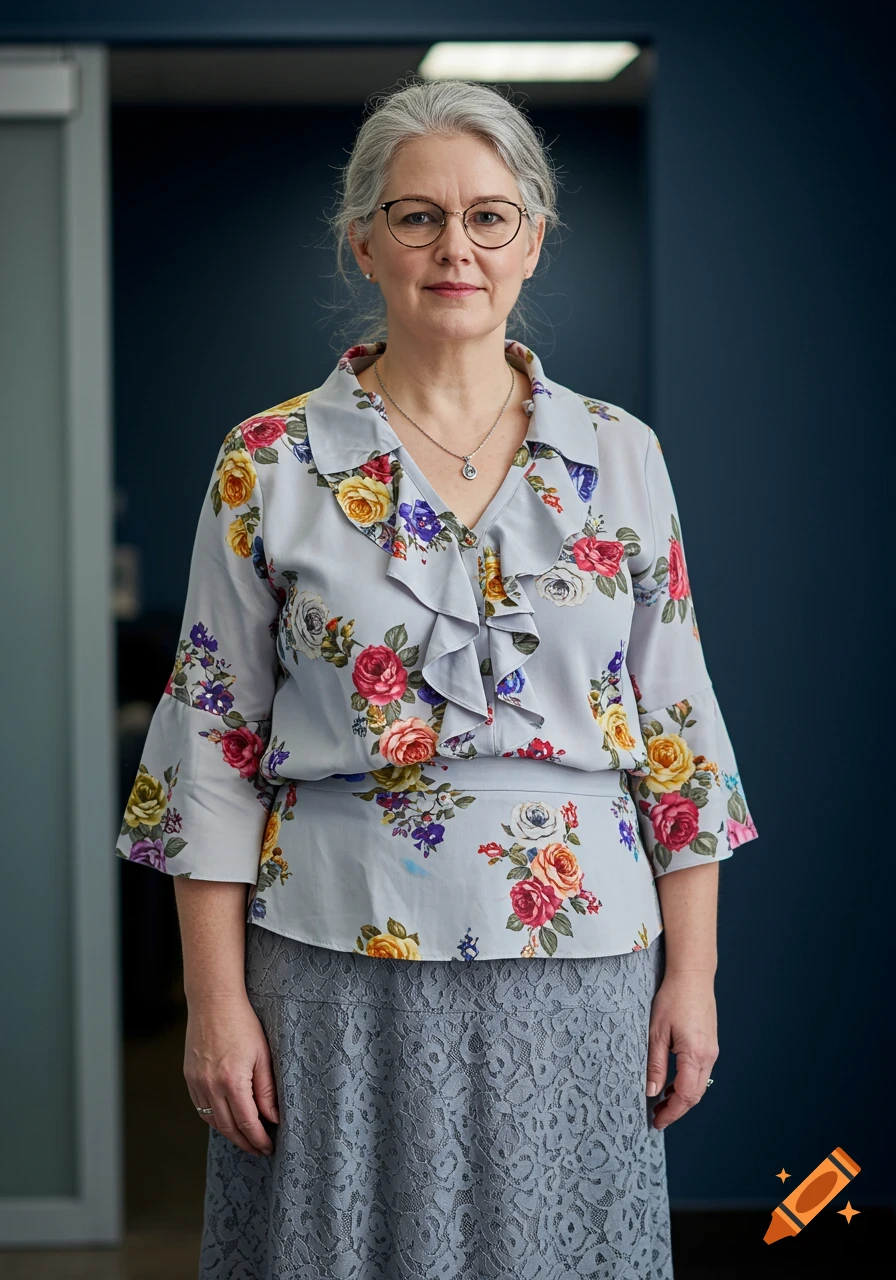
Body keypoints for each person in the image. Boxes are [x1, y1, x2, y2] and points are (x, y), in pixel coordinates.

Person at [117, 77, 759, 1279]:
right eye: (414, 217)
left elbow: (675, 728)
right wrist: (212, 1001)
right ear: (363, 241)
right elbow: (208, 742)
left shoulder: (621, 455)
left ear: (533, 238)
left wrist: (694, 975)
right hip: (330, 964)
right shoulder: (269, 459)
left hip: (582, 965)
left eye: (486, 216)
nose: (452, 246)